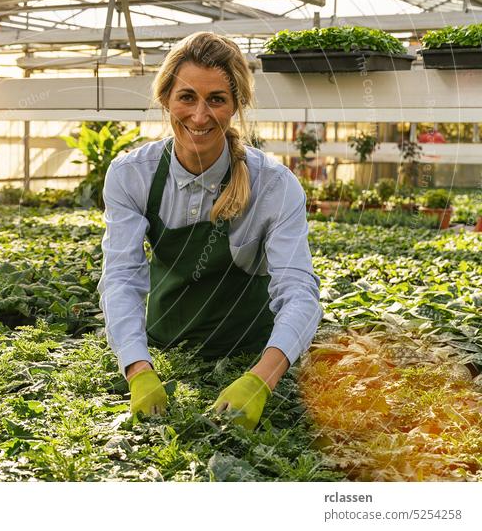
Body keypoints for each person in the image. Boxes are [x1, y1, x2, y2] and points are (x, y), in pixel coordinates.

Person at [97, 32, 322, 429]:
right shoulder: (133, 175)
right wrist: (138, 369)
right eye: (186, 97)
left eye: (216, 99)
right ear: (166, 98)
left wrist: (260, 379)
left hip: (251, 356)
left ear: (236, 105)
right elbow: (121, 279)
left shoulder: (274, 185)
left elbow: (299, 293)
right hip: (166, 354)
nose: (200, 116)